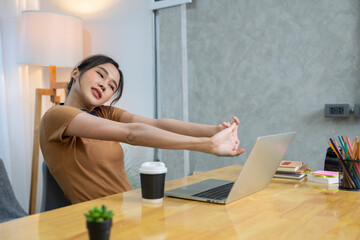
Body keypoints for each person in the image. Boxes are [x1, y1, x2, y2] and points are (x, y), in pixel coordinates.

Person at [39, 54, 245, 204]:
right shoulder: (57, 116)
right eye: (100, 75)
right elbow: (131, 133)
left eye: (111, 86)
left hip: (134, 208)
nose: (104, 86)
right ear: (76, 72)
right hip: (101, 221)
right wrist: (207, 145)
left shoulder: (103, 113)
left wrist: (213, 131)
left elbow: (156, 124)